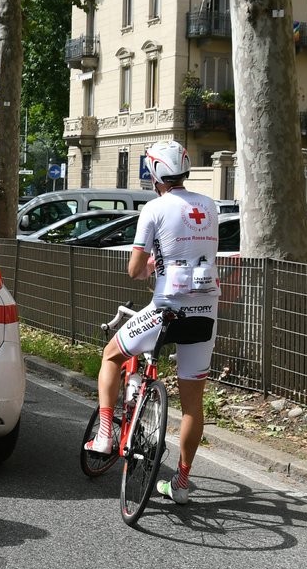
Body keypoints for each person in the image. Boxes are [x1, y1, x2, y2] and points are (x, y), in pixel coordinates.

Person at [84, 140, 219, 505]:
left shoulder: (155, 209)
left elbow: (134, 270)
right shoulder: (210, 206)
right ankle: (182, 483)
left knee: (111, 355)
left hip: (166, 311)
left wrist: (147, 269)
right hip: (205, 313)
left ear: (155, 173)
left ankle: (105, 436)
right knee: (193, 405)